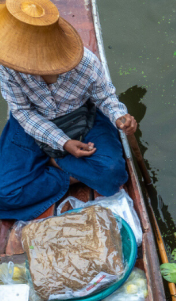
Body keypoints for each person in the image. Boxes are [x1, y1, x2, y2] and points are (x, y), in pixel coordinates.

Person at [0, 0, 137, 220]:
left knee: (113, 176)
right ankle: (68, 169)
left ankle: (53, 162)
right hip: (32, 123)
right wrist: (62, 143)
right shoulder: (9, 67)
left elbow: (105, 96)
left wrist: (119, 116)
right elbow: (24, 113)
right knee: (4, 193)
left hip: (82, 116)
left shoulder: (85, 63)